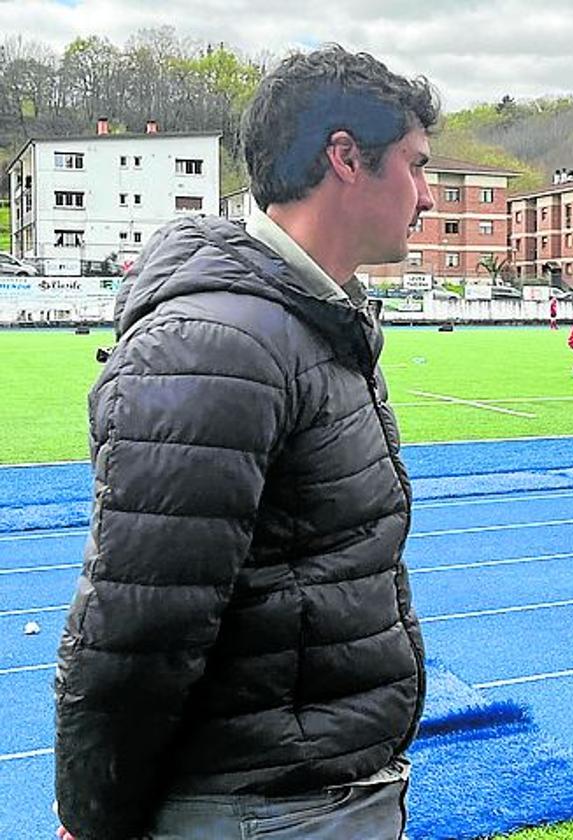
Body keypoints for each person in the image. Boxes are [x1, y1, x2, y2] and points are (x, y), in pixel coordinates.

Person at [53, 46, 437, 840]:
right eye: (415, 165)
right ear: (345, 159)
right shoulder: (220, 342)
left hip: (309, 795)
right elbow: (139, 622)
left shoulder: (309, 317)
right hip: (261, 813)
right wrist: (95, 816)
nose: (427, 195)